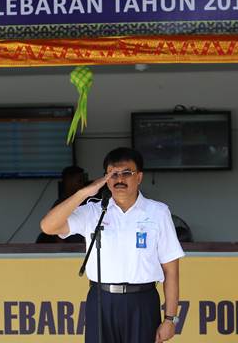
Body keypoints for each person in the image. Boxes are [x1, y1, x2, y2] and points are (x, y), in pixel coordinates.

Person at [40, 147, 184, 343]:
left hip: (142, 301)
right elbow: (48, 226)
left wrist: (170, 319)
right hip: (101, 300)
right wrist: (83, 193)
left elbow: (171, 270)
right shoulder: (93, 211)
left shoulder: (158, 212)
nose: (120, 179)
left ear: (139, 177)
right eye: (113, 174)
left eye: (127, 173)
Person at [36, 166, 86, 243]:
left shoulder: (87, 202)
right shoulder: (60, 205)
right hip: (73, 251)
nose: (82, 184)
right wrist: (68, 252)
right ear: (68, 180)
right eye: (79, 181)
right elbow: (55, 234)